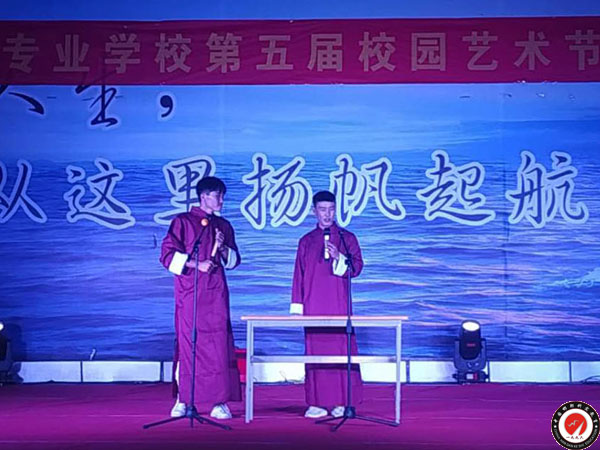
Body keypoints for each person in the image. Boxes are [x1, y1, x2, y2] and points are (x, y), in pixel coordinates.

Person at [159, 176, 241, 420]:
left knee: (218, 345)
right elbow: (167, 256)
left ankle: (219, 401)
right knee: (189, 345)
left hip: (215, 293)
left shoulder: (223, 225)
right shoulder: (183, 222)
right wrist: (197, 264)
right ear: (204, 196)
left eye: (222, 196)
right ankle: (184, 399)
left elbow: (234, 261)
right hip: (190, 293)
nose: (221, 200)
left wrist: (222, 247)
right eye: (217, 195)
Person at [291, 190, 364, 419]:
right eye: (322, 209)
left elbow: (357, 268)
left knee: (341, 351)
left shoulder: (347, 238)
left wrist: (339, 257)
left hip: (339, 304)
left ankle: (342, 401)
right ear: (314, 211)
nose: (327, 214)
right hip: (313, 304)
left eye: (331, 209)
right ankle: (316, 402)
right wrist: (297, 307)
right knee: (316, 350)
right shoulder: (306, 241)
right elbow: (298, 275)